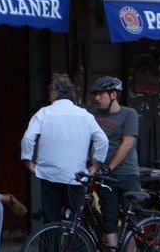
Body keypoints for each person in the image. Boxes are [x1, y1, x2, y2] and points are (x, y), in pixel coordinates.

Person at [21, 73, 108, 223]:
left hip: (49, 174)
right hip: (76, 176)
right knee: (74, 222)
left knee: (51, 221)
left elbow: (28, 138)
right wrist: (95, 166)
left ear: (53, 93)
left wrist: (28, 162)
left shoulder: (43, 113)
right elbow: (103, 141)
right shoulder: (85, 116)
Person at [89, 76, 141, 248]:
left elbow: (128, 143)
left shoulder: (129, 114)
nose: (97, 98)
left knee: (130, 220)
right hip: (106, 177)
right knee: (109, 219)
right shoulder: (93, 115)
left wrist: (109, 167)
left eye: (100, 94)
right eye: (96, 95)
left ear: (113, 95)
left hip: (127, 174)